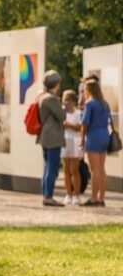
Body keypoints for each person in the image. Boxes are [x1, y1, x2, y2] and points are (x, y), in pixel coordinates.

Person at [36, 70, 66, 207]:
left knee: (48, 166)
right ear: (56, 83)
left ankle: (46, 195)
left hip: (44, 135)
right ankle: (48, 197)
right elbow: (62, 116)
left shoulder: (41, 96)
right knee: (52, 168)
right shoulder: (51, 99)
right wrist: (64, 105)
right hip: (52, 135)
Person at [80, 79, 110, 207]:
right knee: (102, 169)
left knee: (94, 170)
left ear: (88, 90)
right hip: (105, 135)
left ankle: (93, 198)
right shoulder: (105, 103)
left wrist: (82, 139)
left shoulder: (89, 103)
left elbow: (85, 122)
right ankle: (101, 198)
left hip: (93, 135)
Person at [62, 90, 84, 205]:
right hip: (65, 141)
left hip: (75, 141)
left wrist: (68, 125)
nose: (66, 103)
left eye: (68, 100)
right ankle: (68, 194)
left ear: (73, 101)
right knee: (66, 170)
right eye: (64, 100)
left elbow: (80, 128)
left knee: (74, 170)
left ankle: (76, 194)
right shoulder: (62, 113)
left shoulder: (78, 113)